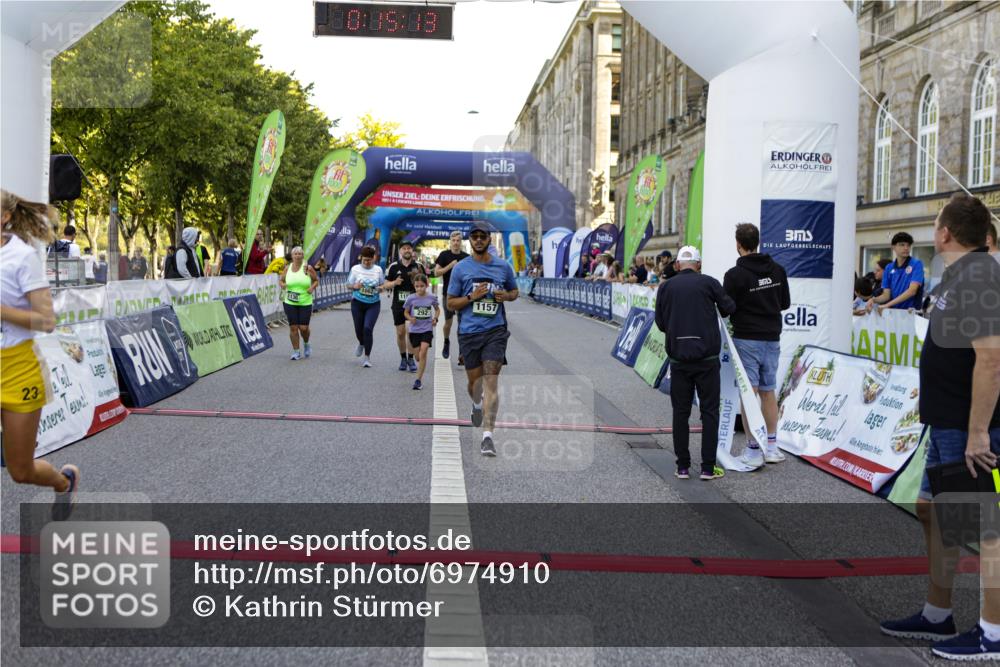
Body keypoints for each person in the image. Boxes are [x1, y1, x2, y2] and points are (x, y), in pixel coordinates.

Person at [879, 193, 1000, 661]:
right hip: (946, 419)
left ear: (945, 233)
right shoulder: (961, 274)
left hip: (967, 426)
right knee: (931, 509)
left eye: (935, 224)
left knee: (982, 526)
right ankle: (937, 612)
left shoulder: (980, 277)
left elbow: (991, 359)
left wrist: (978, 432)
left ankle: (992, 633)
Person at [0, 190, 79, 520]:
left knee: (20, 471)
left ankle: (63, 483)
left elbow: (46, 320)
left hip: (17, 367)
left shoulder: (21, 258)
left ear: (5, 217)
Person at [654, 245, 736, 481]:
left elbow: (660, 323)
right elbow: (729, 309)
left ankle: (682, 466)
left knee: (680, 413)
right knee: (710, 412)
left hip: (679, 358)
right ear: (699, 265)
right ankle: (708, 468)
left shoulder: (666, 287)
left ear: (677, 265)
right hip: (707, 358)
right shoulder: (709, 283)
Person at [446, 221, 519, 457]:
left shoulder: (502, 266)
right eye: (474, 236)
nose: (478, 240)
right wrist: (471, 297)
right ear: (470, 240)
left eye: (483, 236)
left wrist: (505, 295)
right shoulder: (460, 269)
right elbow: (450, 303)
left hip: (495, 332)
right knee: (475, 385)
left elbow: (515, 292)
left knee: (490, 382)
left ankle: (488, 436)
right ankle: (476, 404)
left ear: (488, 239)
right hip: (469, 333)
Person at [723, 223, 791, 467]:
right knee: (768, 391)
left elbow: (726, 308)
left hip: (746, 338)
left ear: (738, 244)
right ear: (758, 242)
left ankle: (753, 450)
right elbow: (785, 303)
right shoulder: (778, 270)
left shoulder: (734, 275)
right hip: (772, 337)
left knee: (749, 394)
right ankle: (771, 447)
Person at [434, 230, 470, 363]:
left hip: (463, 295)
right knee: (448, 323)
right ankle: (446, 341)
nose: (455, 243)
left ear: (461, 242)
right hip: (448, 294)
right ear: (450, 241)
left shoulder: (467, 257)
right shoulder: (444, 255)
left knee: (463, 323)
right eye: (453, 240)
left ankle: (462, 351)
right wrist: (450, 265)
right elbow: (436, 273)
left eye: (458, 240)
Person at [386, 240, 422, 372]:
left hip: (414, 305)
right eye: (404, 248)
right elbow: (385, 284)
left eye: (409, 248)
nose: (407, 250)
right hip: (398, 305)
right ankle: (403, 358)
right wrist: (394, 282)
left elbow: (427, 283)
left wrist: (418, 283)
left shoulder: (418, 266)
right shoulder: (393, 266)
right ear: (400, 251)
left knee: (410, 330)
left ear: (412, 251)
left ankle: (411, 359)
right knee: (400, 333)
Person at [867, 231, 925, 312]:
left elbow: (912, 291)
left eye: (908, 245)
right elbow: (886, 296)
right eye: (902, 245)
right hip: (893, 313)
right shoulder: (888, 268)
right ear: (893, 247)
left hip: (911, 313)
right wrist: (873, 300)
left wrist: (887, 305)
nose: (906, 248)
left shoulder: (916, 264)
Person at [348, 246, 385, 368]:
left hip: (373, 304)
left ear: (374, 258)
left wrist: (380, 288)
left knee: (367, 328)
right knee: (358, 330)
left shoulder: (378, 270)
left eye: (369, 260)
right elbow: (348, 285)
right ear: (361, 258)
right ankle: (361, 343)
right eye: (364, 260)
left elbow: (382, 285)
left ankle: (367, 358)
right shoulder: (355, 269)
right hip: (357, 303)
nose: (367, 262)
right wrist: (355, 286)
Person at [279, 246, 319, 361]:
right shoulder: (287, 268)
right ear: (292, 256)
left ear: (303, 256)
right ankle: (296, 351)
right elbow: (281, 280)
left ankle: (306, 343)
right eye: (295, 254)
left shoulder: (307, 268)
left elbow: (316, 280)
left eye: (300, 254)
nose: (297, 256)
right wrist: (282, 284)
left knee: (303, 328)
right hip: (289, 301)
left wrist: (312, 288)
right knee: (293, 328)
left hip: (305, 301)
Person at [404, 273, 440, 391]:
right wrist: (410, 318)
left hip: (427, 329)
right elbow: (406, 312)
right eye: (417, 286)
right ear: (414, 286)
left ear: (426, 285)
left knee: (423, 351)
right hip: (414, 330)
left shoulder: (431, 297)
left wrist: (435, 318)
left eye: (422, 286)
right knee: (418, 357)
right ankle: (417, 358)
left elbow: (437, 309)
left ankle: (418, 380)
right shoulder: (411, 298)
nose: (419, 289)